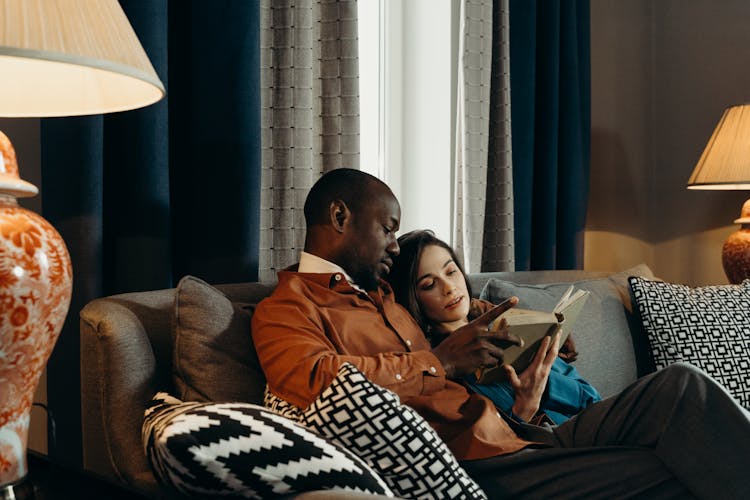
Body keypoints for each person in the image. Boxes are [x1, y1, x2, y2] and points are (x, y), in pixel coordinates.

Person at [252, 167, 750, 499]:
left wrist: (535, 332)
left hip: (521, 437)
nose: (395, 247)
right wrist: (441, 363)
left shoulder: (383, 295)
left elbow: (462, 306)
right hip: (482, 469)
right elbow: (316, 380)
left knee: (677, 387)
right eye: (388, 229)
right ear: (340, 217)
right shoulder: (287, 308)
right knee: (674, 469)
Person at [385, 229, 601, 425]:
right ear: (412, 299)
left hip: (594, 428)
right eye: (429, 284)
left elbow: (593, 399)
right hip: (556, 450)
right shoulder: (444, 370)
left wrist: (544, 382)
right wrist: (525, 407)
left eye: (451, 272)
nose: (449, 288)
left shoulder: (513, 332)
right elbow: (488, 448)